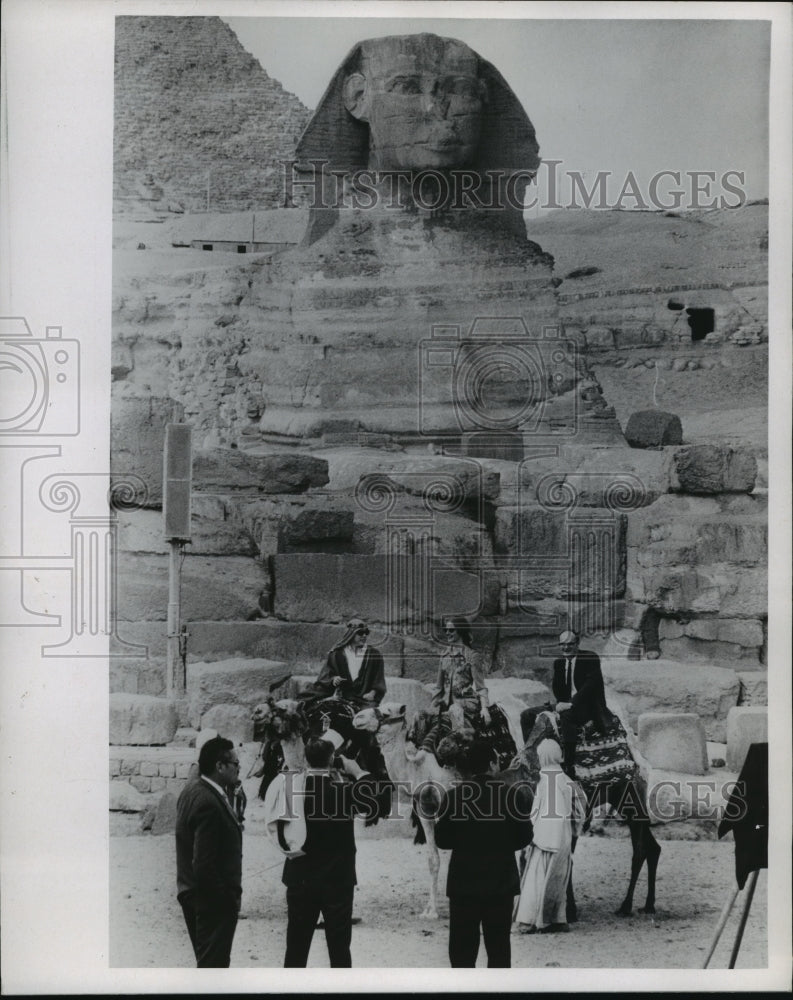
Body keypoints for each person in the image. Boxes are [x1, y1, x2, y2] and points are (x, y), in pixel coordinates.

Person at [280, 735, 379, 967]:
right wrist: (360, 773)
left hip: (301, 878)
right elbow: (375, 803)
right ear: (332, 758)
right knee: (339, 948)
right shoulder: (344, 791)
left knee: (296, 947)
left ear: (306, 760)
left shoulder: (291, 791)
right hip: (337, 879)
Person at [435, 738, 533, 967]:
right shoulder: (512, 795)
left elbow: (442, 840)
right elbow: (525, 837)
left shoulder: (453, 796)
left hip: (463, 885)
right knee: (499, 951)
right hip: (500, 884)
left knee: (461, 953)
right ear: (491, 764)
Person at [175, 736, 243, 968]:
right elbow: (203, 863)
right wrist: (225, 900)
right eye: (235, 764)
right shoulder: (208, 802)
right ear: (220, 766)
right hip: (209, 901)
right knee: (213, 969)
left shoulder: (192, 790)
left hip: (194, 893)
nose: (238, 769)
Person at [514, 738, 587, 935]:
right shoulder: (566, 780)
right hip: (562, 837)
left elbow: (535, 811)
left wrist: (529, 833)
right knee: (558, 880)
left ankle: (529, 921)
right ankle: (557, 919)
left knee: (535, 880)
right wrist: (573, 828)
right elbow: (581, 806)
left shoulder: (544, 780)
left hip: (543, 837)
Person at [417, 617, 491, 759]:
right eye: (446, 630)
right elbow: (438, 687)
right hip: (446, 703)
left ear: (460, 631)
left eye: (451, 630)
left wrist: (485, 708)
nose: (447, 633)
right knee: (420, 715)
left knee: (454, 709)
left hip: (466, 702)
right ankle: (423, 751)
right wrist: (433, 705)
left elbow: (481, 687)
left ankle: (459, 749)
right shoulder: (444, 655)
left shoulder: (472, 656)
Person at [551, 629, 613, 779]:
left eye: (570, 644)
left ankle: (569, 764)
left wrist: (570, 704)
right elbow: (557, 689)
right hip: (567, 704)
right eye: (562, 644)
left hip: (588, 706)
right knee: (527, 715)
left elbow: (590, 686)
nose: (566, 648)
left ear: (577, 643)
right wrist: (559, 704)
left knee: (566, 716)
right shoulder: (559, 663)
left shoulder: (590, 658)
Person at [312, 617, 386, 706]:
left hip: (364, 699)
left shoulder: (374, 655)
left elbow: (378, 680)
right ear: (350, 634)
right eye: (360, 633)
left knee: (367, 716)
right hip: (342, 697)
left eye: (366, 633)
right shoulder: (336, 654)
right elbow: (325, 677)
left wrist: (372, 694)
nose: (364, 636)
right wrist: (334, 679)